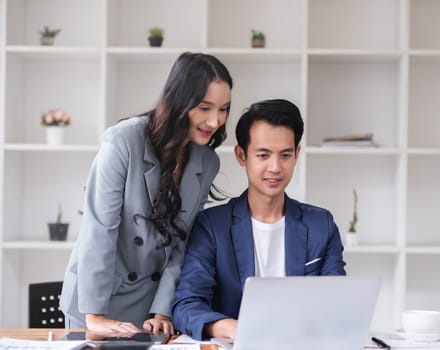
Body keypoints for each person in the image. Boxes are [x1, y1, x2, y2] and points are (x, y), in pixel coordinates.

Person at [59, 52, 233, 335]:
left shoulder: (207, 162)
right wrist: (94, 315)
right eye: (204, 107)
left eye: (223, 109)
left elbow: (182, 244)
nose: (215, 122)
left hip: (148, 307)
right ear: (180, 100)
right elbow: (99, 228)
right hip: (97, 300)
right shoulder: (124, 140)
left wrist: (163, 309)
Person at [172, 99, 346, 340]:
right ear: (242, 155)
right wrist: (231, 328)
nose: (275, 167)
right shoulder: (212, 226)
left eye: (285, 155)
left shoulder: (321, 225)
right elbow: (187, 305)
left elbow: (337, 303)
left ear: (296, 155)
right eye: (263, 155)